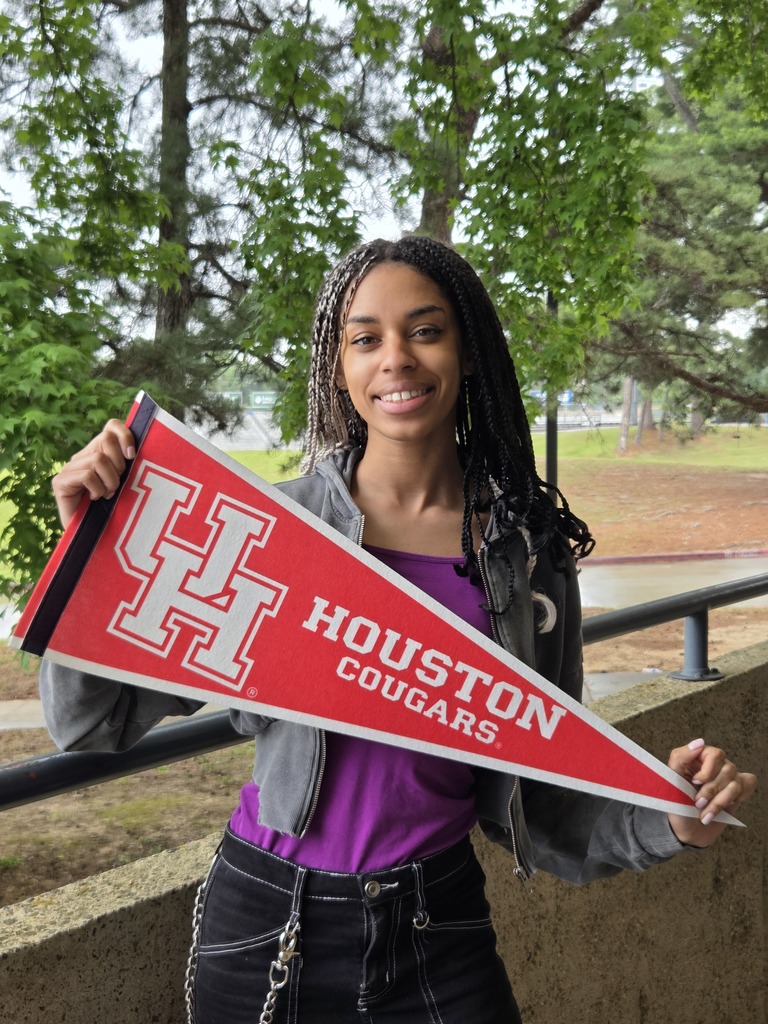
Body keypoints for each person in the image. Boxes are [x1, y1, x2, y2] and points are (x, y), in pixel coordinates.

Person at [41, 236, 756, 1024]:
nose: (396, 360)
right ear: (339, 368)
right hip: (268, 923)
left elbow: (543, 802)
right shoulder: (269, 530)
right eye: (365, 338)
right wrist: (89, 556)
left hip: (439, 923)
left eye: (425, 330)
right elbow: (88, 721)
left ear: (468, 351)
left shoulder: (526, 557)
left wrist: (666, 819)